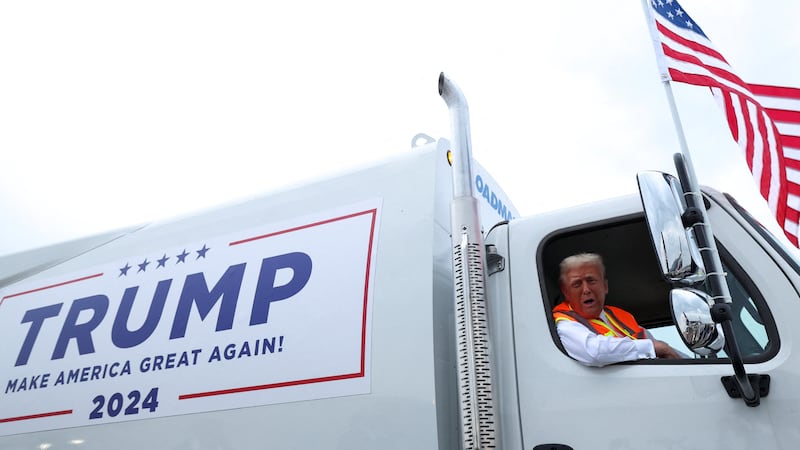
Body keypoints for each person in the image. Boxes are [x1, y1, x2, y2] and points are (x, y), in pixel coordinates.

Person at [552, 252, 682, 367]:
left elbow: (662, 348)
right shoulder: (564, 323)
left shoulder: (621, 316)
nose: (586, 290)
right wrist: (651, 347)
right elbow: (594, 352)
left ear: (605, 286)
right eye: (577, 284)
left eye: (591, 280)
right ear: (566, 293)